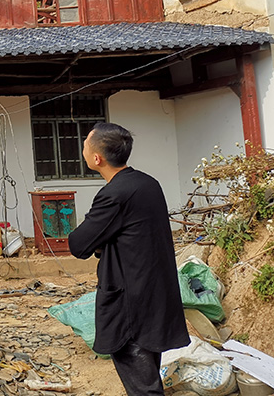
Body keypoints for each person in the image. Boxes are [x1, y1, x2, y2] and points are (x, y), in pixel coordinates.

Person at [68, 123, 189, 396]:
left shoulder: (114, 194)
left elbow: (79, 244)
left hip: (130, 303)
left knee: (143, 387)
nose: (83, 149)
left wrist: (99, 241)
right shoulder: (147, 183)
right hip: (154, 294)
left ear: (97, 158)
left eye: (86, 145)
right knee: (147, 377)